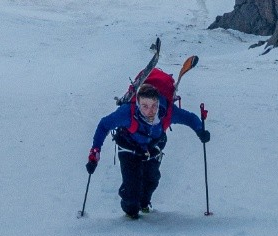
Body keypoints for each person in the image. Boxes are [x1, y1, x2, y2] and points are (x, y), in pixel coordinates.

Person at [86, 78, 210, 218]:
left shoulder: (167, 112)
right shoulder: (126, 113)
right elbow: (104, 125)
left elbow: (190, 118)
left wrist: (200, 130)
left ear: (158, 103)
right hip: (129, 150)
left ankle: (144, 203)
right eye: (145, 106)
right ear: (138, 103)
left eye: (154, 106)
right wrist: (95, 153)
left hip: (153, 149)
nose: (150, 111)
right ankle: (131, 207)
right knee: (131, 201)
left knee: (151, 181)